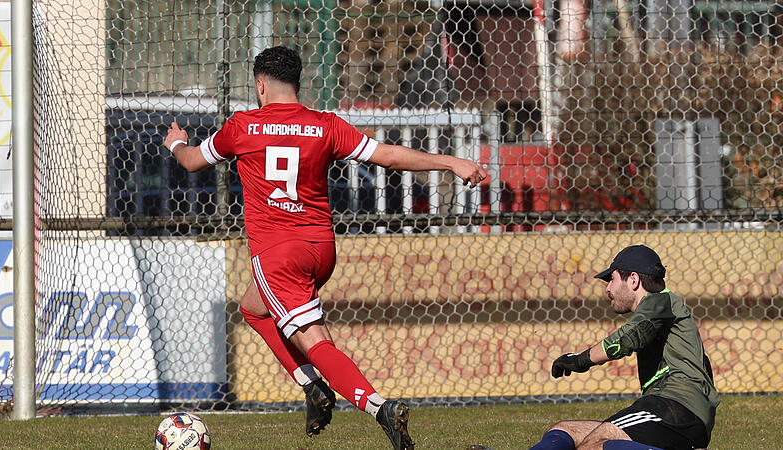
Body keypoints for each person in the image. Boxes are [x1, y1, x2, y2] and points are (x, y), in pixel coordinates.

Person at [162, 45, 488, 450]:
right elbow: (387, 156)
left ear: (260, 85)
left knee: (315, 342)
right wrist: (450, 162)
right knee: (253, 308)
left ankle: (379, 407)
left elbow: (193, 161)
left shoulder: (242, 126)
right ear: (298, 84)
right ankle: (314, 388)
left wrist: (176, 143)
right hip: (320, 249)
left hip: (278, 254)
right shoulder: (326, 125)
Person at [530, 245, 719, 450]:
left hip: (677, 407)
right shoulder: (661, 309)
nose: (608, 289)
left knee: (596, 443)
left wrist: (581, 360)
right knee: (564, 430)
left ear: (634, 280)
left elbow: (629, 337)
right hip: (670, 412)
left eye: (611, 279)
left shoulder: (660, 301)